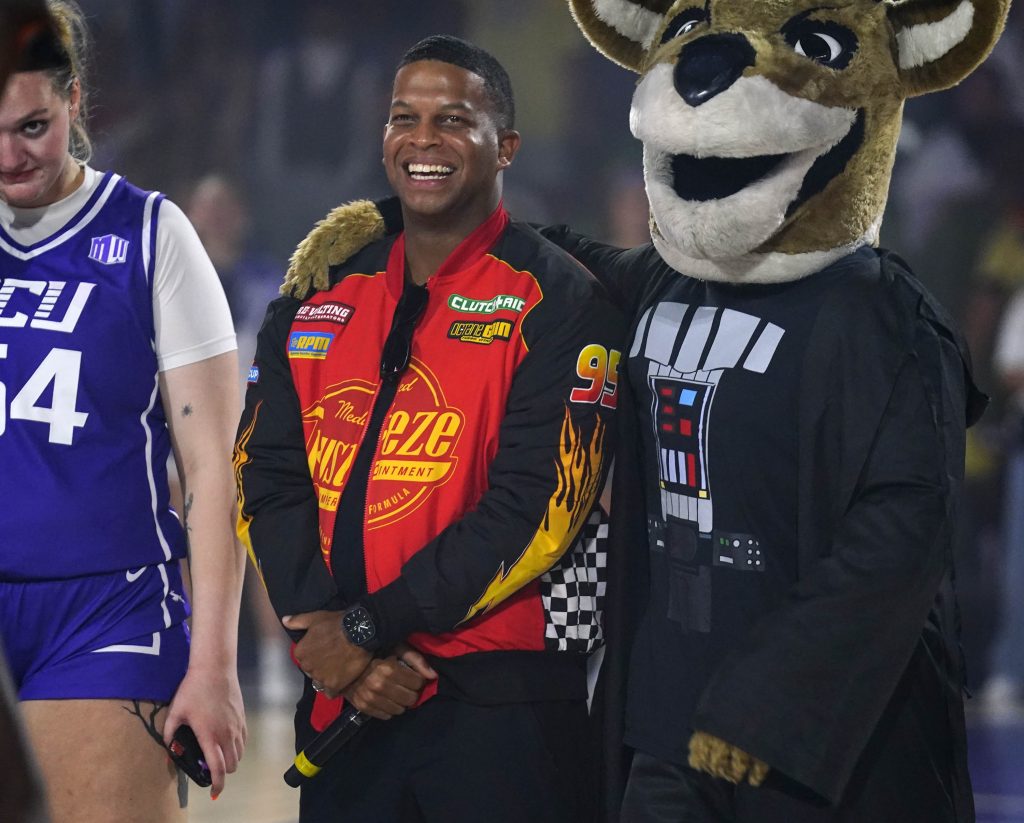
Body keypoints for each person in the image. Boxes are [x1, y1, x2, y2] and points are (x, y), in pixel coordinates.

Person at [234, 34, 622, 823]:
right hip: (344, 700)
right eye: (403, 117)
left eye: (452, 119)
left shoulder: (562, 300)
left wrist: (367, 628)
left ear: (505, 146)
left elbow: (536, 509)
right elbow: (263, 472)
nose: (422, 138)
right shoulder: (316, 294)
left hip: (504, 708)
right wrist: (324, 634)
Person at [0, 3, 246, 820]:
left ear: (74, 100)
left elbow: (213, 468)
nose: (10, 155)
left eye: (32, 126)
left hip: (104, 615)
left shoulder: (150, 234)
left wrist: (214, 664)